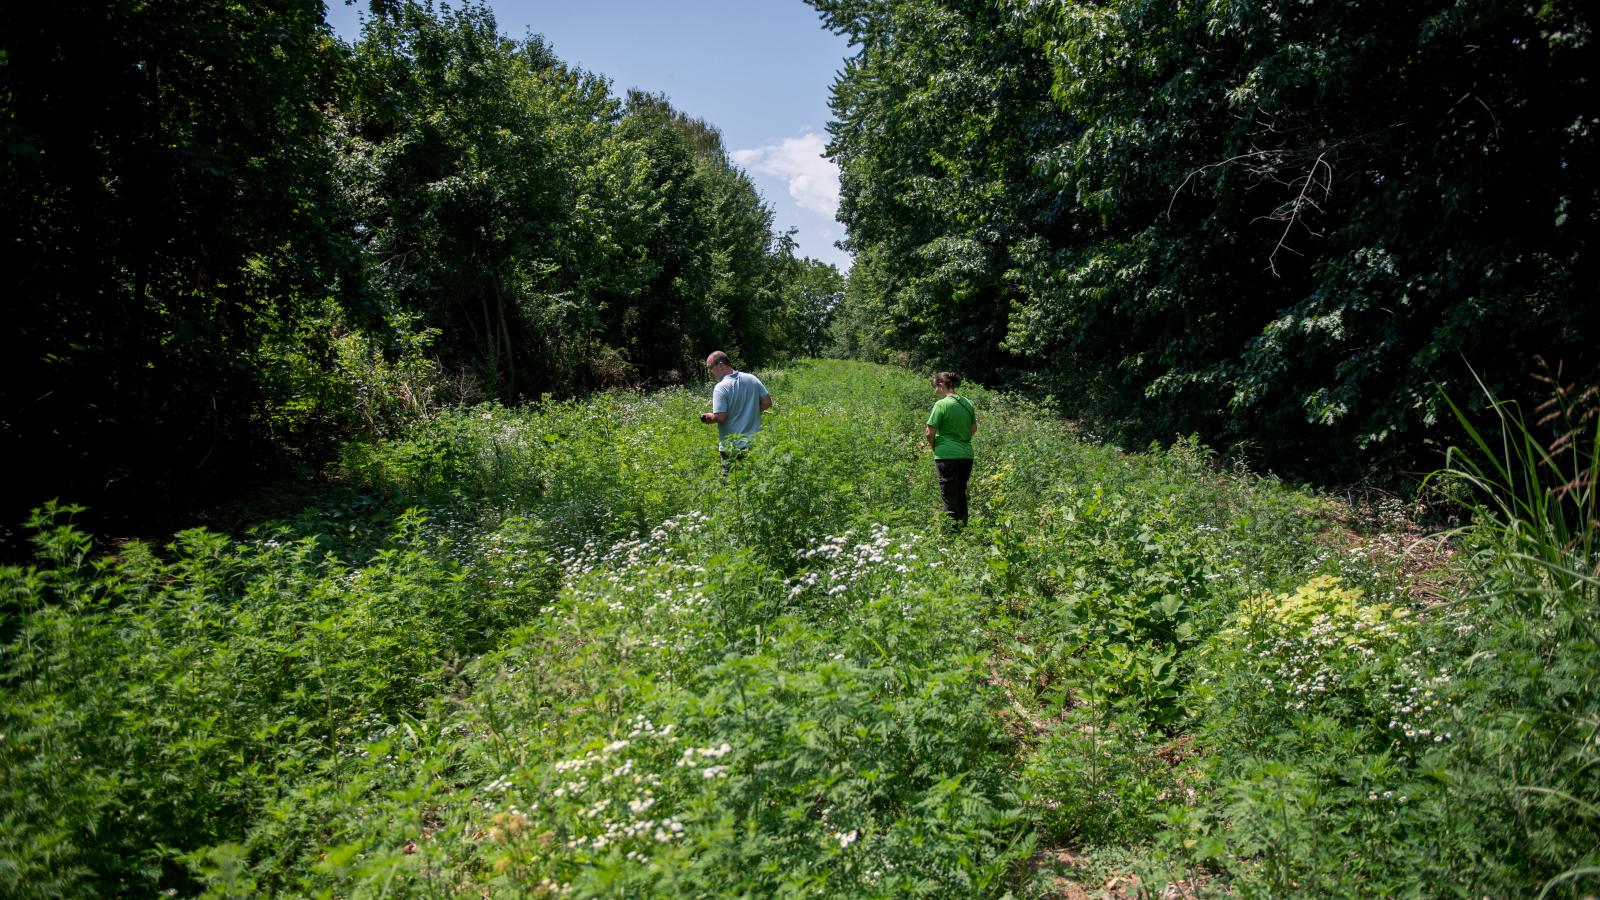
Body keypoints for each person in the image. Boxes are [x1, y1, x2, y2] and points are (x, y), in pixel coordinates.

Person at [699, 350, 771, 473]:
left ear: (721, 365)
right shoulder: (752, 379)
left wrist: (709, 416)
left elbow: (721, 417)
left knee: (731, 487)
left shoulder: (721, 388)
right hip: (755, 444)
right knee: (755, 484)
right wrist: (750, 412)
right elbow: (767, 402)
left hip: (732, 447)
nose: (709, 372)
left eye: (710, 367)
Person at [925, 371, 977, 527]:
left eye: (935, 387)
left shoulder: (941, 404)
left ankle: (951, 534)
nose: (935, 391)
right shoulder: (967, 403)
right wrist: (961, 439)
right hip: (966, 456)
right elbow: (973, 429)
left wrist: (935, 445)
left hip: (946, 456)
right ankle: (964, 526)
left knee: (949, 495)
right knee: (961, 491)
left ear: (941, 385)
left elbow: (929, 432)